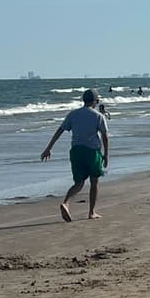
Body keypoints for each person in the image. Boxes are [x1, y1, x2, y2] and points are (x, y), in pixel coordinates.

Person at [40, 89, 109, 222]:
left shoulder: (73, 114)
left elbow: (60, 130)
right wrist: (106, 155)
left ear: (83, 100)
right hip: (92, 152)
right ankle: (91, 212)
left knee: (78, 183)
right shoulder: (98, 116)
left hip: (76, 151)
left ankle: (66, 203)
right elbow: (105, 137)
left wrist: (48, 148)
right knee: (94, 181)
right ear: (95, 101)